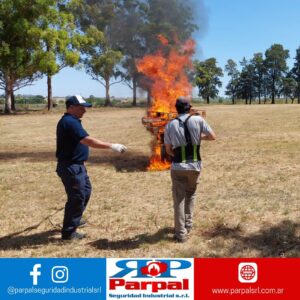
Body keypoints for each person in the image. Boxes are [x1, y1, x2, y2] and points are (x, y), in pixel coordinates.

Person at [56, 95, 127, 240]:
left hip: (77, 166)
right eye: (81, 107)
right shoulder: (69, 122)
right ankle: (69, 233)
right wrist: (111, 146)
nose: (85, 110)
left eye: (85, 107)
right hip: (71, 167)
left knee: (86, 192)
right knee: (77, 197)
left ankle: (75, 219)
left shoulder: (73, 121)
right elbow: (87, 140)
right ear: (71, 107)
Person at [164, 96, 216, 243]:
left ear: (176, 108)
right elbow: (212, 136)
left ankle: (180, 234)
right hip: (195, 165)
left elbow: (168, 150)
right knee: (191, 194)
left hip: (178, 166)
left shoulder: (170, 124)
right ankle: (188, 224)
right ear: (189, 108)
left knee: (178, 198)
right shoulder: (198, 120)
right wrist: (198, 137)